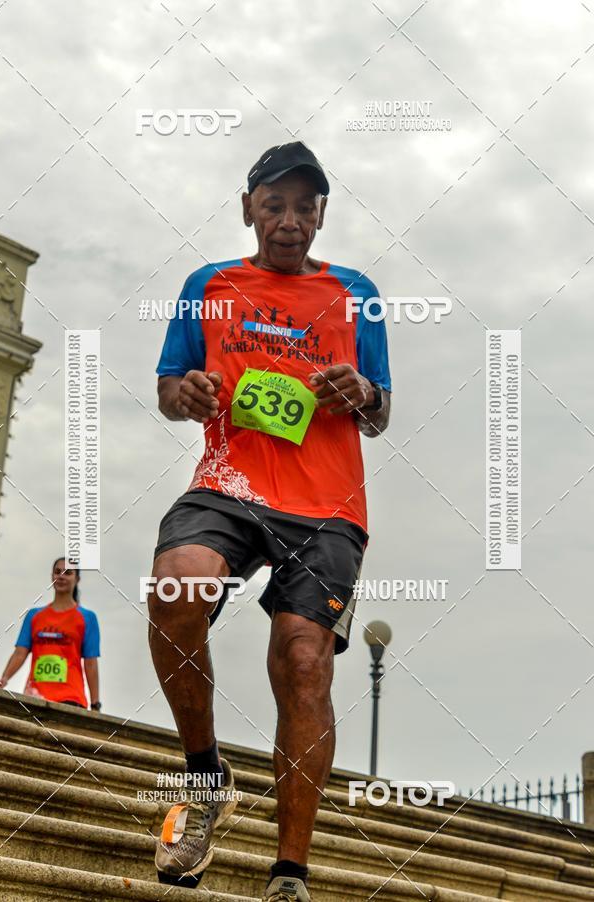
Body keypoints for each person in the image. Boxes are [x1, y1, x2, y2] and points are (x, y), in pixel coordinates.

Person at [149, 141, 391, 901]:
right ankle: (202, 776)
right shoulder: (208, 286)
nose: (289, 220)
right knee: (177, 587)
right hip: (229, 485)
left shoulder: (357, 293)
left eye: (304, 207)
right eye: (274, 205)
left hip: (326, 506)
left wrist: (361, 391)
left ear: (322, 216)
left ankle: (290, 873)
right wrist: (186, 393)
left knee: (304, 661)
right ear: (248, 209)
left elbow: (380, 412)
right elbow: (169, 386)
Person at [0, 557, 101, 711]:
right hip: (34, 697)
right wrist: (3, 680)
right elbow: (20, 653)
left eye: (68, 573)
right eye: (58, 572)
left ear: (77, 579)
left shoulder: (87, 618)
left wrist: (95, 704)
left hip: (71, 699)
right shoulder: (34, 616)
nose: (61, 576)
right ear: (52, 576)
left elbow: (90, 663)